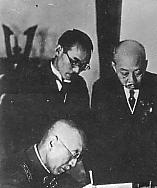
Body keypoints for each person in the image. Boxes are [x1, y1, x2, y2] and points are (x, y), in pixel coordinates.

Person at [90, 40, 157, 184]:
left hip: (154, 175)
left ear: (145, 65)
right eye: (124, 73)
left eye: (138, 73)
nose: (131, 80)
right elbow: (98, 139)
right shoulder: (101, 89)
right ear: (114, 67)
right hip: (116, 177)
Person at [0, 29, 93, 158]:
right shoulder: (29, 79)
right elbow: (14, 132)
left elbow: (83, 126)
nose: (77, 70)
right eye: (74, 62)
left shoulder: (80, 85)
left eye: (83, 66)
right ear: (59, 50)